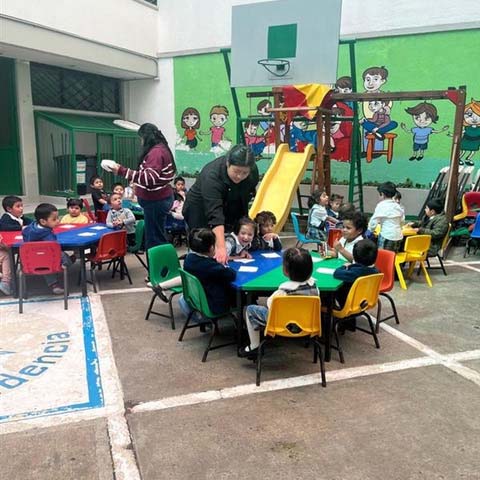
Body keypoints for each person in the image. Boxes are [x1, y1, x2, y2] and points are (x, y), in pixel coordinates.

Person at [182, 144, 259, 264]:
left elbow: (244, 200)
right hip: (199, 209)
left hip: (229, 204)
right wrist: (221, 248)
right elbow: (215, 214)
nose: (240, 176)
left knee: (228, 241)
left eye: (245, 173)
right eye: (236, 171)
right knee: (204, 246)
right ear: (228, 163)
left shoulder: (252, 173)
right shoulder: (212, 175)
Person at [240, 247, 319, 358]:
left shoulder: (283, 291)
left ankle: (254, 346)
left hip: (281, 325)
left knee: (249, 309)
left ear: (286, 270)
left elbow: (270, 305)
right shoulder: (315, 287)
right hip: (305, 324)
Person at [110, 123, 176, 252]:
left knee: (154, 240)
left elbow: (149, 178)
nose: (141, 142)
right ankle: (160, 263)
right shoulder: (161, 148)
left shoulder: (156, 152)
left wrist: (122, 171)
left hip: (156, 201)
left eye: (141, 139)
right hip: (158, 199)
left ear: (146, 138)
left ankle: (157, 264)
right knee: (157, 236)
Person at [179, 228, 237, 322]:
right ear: (211, 248)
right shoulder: (210, 266)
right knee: (239, 293)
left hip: (196, 299)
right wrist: (221, 264)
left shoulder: (189, 259)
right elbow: (232, 274)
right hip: (213, 304)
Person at [22, 203, 73, 294]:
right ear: (43, 222)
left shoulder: (31, 227)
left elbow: (24, 233)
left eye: (57, 218)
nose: (58, 221)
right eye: (54, 219)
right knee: (61, 255)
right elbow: (55, 248)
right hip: (48, 260)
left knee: (45, 260)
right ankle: (66, 264)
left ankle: (54, 284)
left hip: (30, 260)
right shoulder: (48, 235)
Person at [333, 239, 379, 309]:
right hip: (365, 299)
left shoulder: (355, 272)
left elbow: (336, 273)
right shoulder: (376, 271)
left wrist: (344, 266)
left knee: (329, 292)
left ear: (354, 257)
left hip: (350, 303)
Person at [368, 181, 404, 252]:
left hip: (387, 235)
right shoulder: (398, 206)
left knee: (382, 255)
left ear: (382, 194)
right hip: (398, 236)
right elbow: (402, 220)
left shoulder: (381, 205)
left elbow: (374, 221)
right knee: (393, 255)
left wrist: (370, 230)